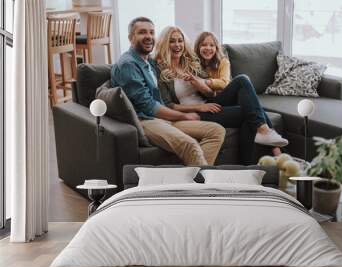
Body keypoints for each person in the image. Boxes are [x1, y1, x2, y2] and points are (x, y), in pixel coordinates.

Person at [155, 26, 286, 164]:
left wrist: (199, 84)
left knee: (244, 86)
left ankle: (251, 158)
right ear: (165, 43)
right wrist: (200, 107)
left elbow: (210, 93)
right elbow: (168, 105)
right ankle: (264, 150)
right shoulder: (160, 70)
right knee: (250, 111)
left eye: (180, 41)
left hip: (209, 104)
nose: (177, 45)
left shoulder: (189, 63)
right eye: (172, 41)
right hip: (194, 113)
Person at [111, 17, 225, 166]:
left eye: (152, 32)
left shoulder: (148, 62)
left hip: (164, 119)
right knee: (189, 145)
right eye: (142, 32)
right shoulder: (128, 65)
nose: (149, 36)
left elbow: (167, 61)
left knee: (216, 131)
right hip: (146, 121)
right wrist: (184, 116)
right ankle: (204, 186)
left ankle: (195, 179)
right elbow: (148, 106)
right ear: (131, 37)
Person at [193, 31, 288, 154]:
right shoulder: (194, 64)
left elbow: (225, 83)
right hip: (208, 103)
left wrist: (205, 82)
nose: (208, 48)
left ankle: (269, 141)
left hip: (223, 100)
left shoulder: (223, 62)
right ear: (198, 47)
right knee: (244, 83)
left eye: (212, 45)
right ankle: (274, 146)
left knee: (251, 108)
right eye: (204, 45)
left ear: (216, 48)